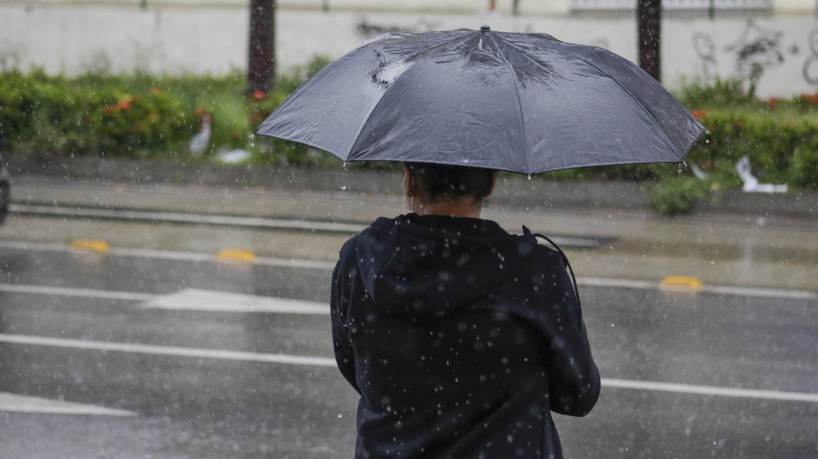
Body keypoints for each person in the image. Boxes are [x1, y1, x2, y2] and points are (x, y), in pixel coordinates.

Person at [330, 162, 600, 458]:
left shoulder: (359, 259)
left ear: (409, 181)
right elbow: (578, 394)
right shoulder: (534, 272)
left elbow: (354, 365)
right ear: (491, 184)